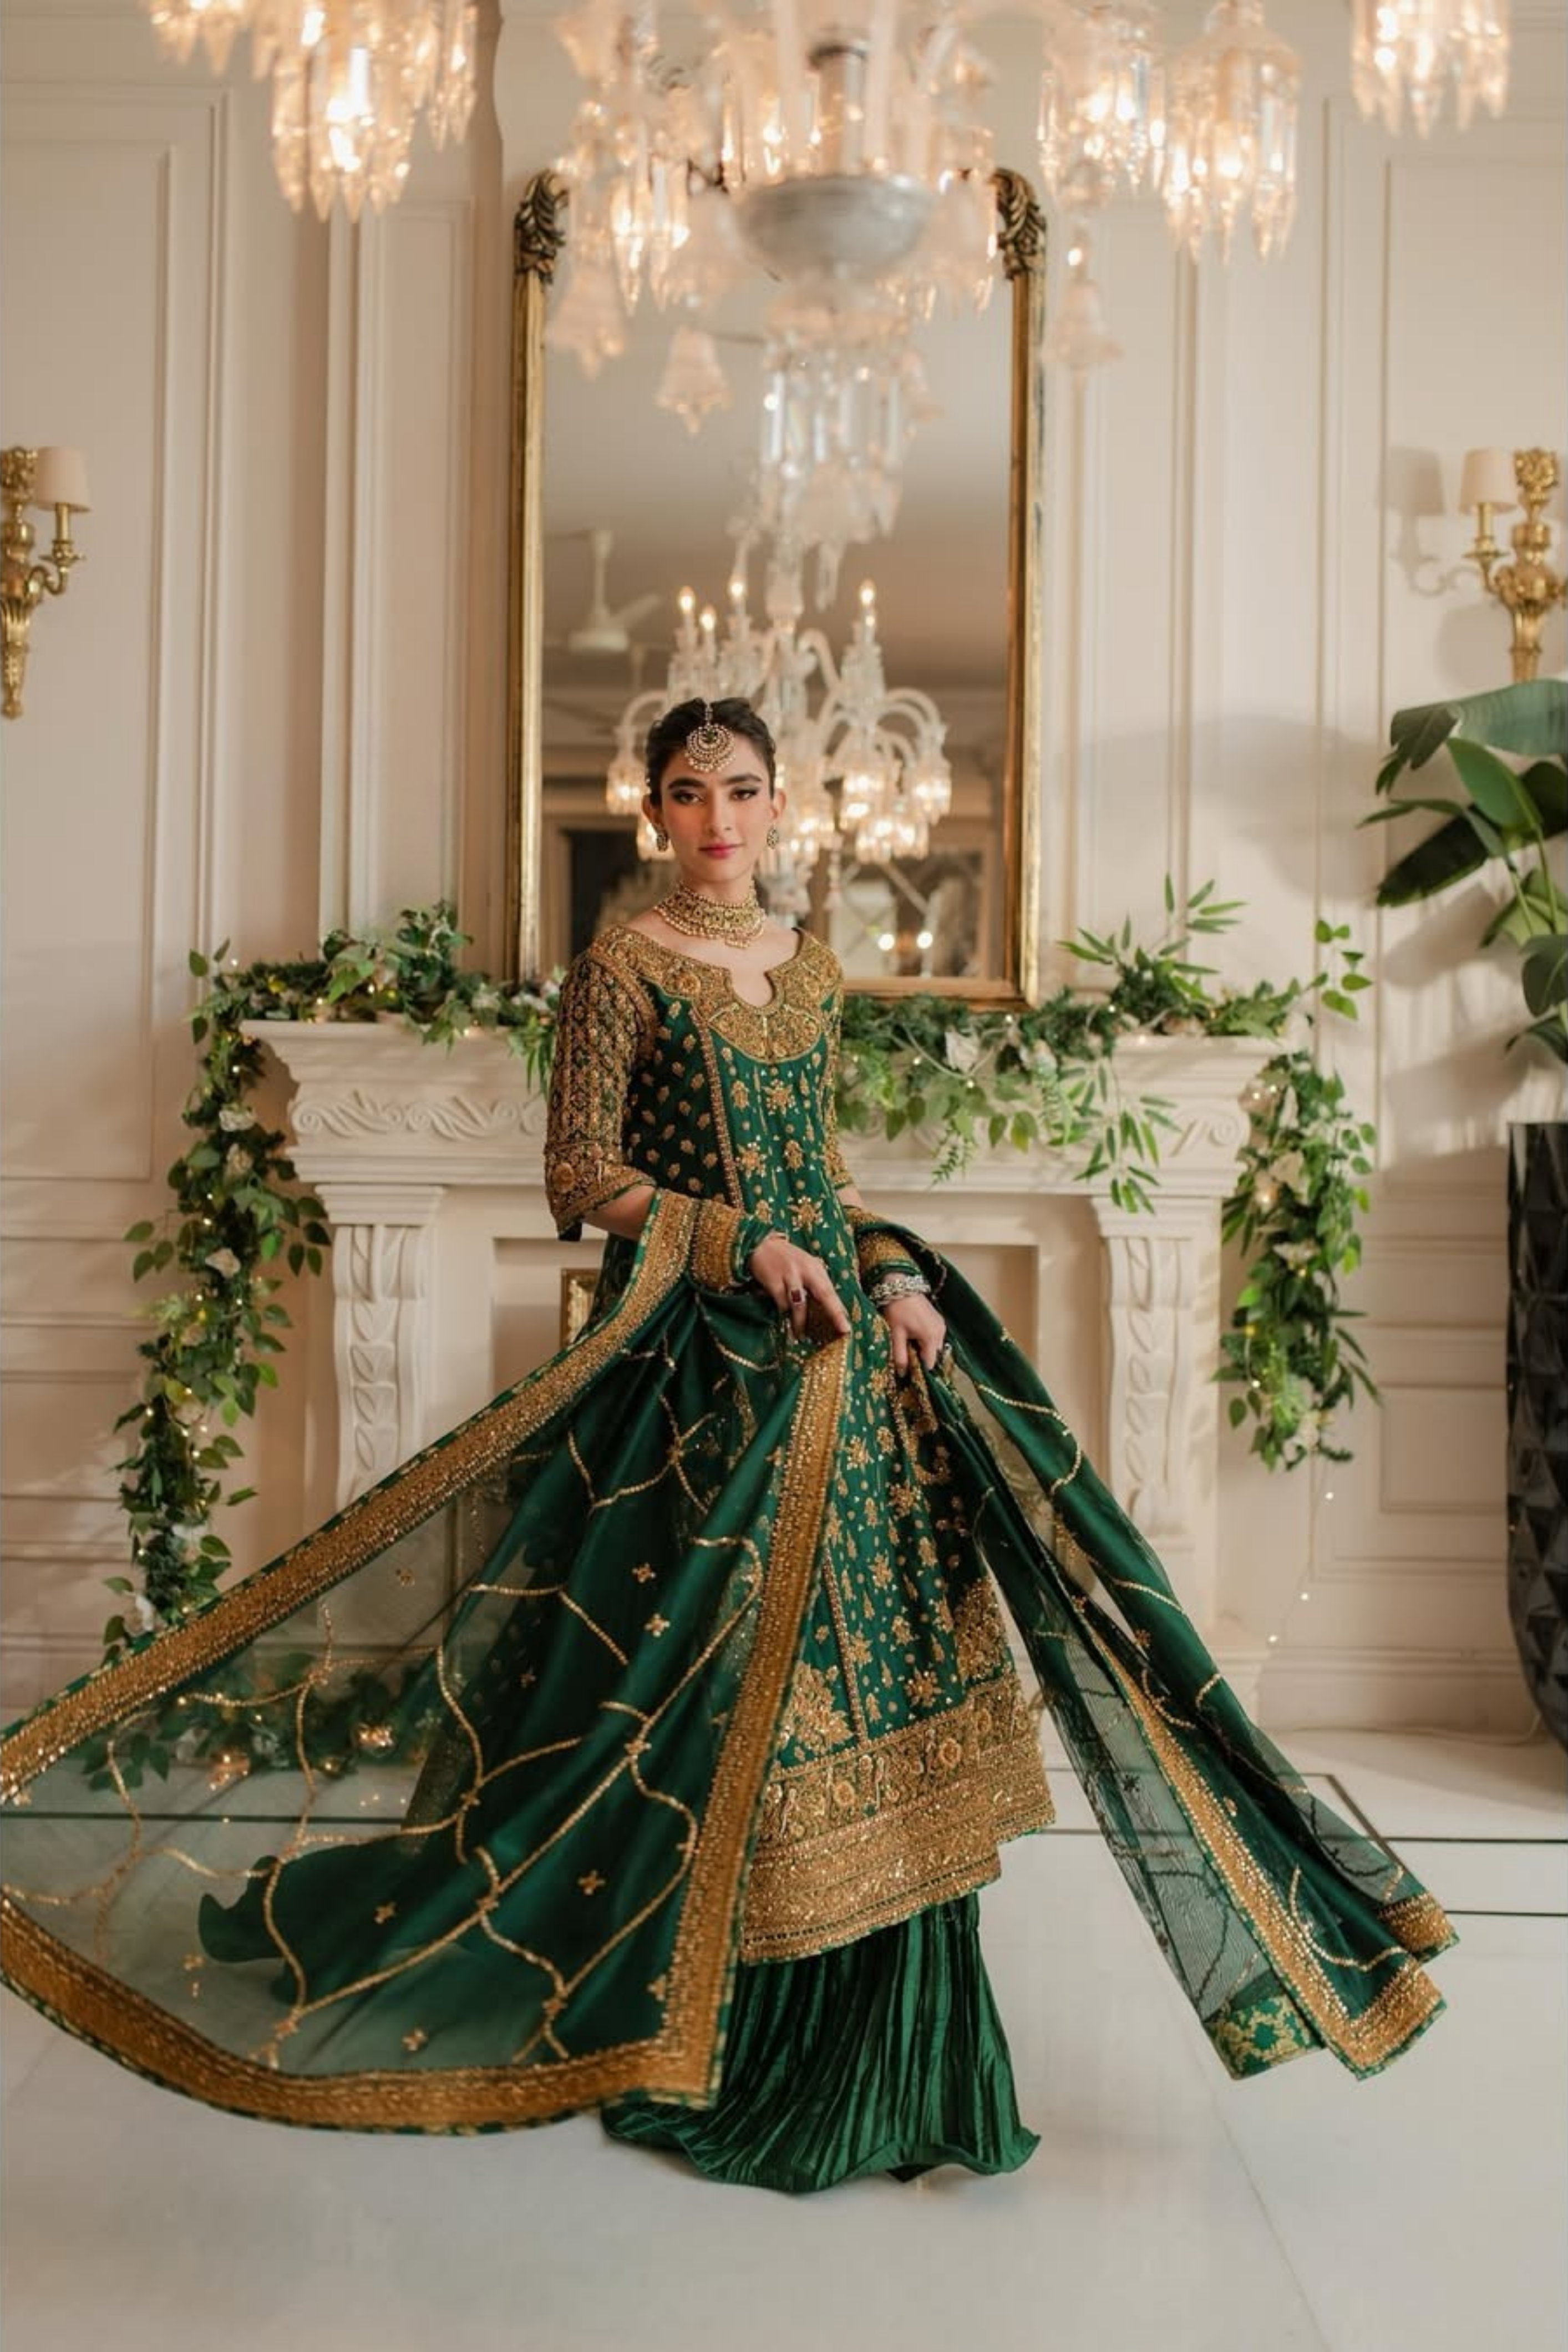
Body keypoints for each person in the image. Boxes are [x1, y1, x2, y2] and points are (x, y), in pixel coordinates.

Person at [0, 697, 1455, 2191]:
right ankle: (735, 2029)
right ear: (653, 814)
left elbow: (829, 1168)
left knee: (892, 1686)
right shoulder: (619, 969)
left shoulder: (813, 971)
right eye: (687, 794)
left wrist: (889, 1269)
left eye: (741, 792)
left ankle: (912, 2046)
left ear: (781, 807)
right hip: (708, 1378)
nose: (715, 821)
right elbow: (578, 1174)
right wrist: (738, 1242)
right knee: (728, 1688)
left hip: (856, 1370)